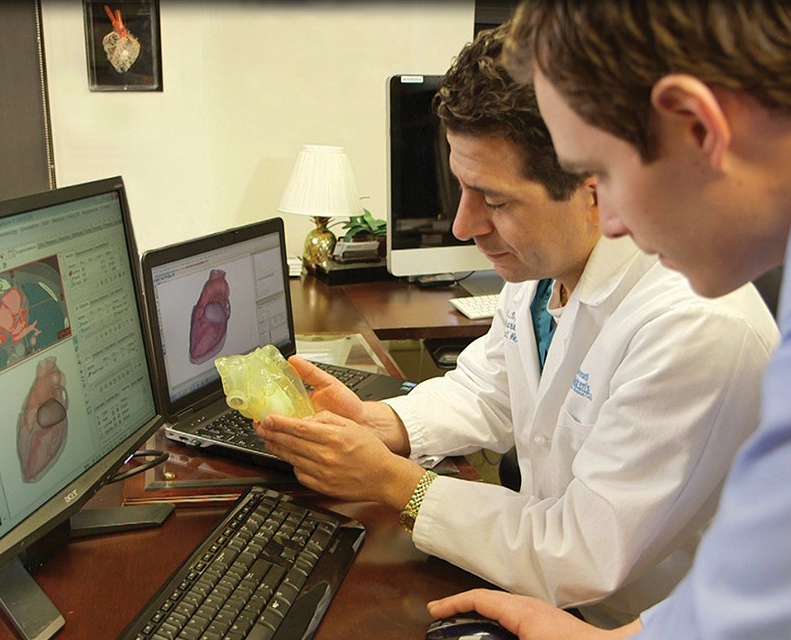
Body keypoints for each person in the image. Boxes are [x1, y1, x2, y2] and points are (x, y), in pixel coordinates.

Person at [255, 24, 778, 628]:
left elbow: (579, 552)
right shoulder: (543, 266)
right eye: (462, 188)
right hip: (548, 584)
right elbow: (490, 386)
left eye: (494, 201)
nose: (462, 224)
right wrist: (378, 423)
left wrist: (395, 482)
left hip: (617, 618)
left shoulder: (695, 324)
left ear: (593, 185)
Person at [425, 2, 791, 638]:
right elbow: (754, 585)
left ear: (697, 127)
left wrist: (402, 490)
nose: (612, 223)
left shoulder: (706, 322)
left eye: (603, 175)